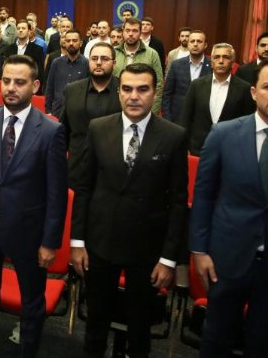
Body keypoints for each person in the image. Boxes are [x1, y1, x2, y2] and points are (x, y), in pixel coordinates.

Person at [190, 56, 268, 357]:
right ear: (253, 92)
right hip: (226, 261)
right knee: (215, 341)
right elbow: (203, 196)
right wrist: (199, 250)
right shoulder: (223, 135)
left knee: (265, 345)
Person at [72, 63, 188, 358]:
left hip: (146, 250)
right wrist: (77, 242)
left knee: (139, 330)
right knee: (95, 325)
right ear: (119, 92)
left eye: (142, 89)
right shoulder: (98, 128)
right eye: (127, 89)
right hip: (100, 244)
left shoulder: (173, 136)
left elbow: (178, 202)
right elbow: (84, 188)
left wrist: (169, 259)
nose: (134, 96)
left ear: (155, 92)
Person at [0, 55, 67, 358]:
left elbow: (56, 194)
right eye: (6, 81)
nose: (11, 88)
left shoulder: (51, 130)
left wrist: (50, 242)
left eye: (19, 82)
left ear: (35, 85)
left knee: (32, 302)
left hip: (28, 232)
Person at [60, 42, 121, 189]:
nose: (98, 62)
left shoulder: (124, 90)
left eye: (104, 59)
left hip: (113, 170)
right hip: (77, 168)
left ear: (114, 63)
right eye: (94, 58)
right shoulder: (72, 90)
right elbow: (64, 131)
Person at [179, 43, 255, 155]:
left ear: (232, 62)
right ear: (211, 62)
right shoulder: (197, 85)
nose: (221, 61)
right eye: (217, 57)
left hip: (230, 149)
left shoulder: (244, 88)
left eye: (226, 57)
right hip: (198, 148)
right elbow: (186, 117)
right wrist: (183, 145)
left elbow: (247, 123)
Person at [113, 18, 164, 113]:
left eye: (135, 31)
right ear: (123, 32)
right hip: (115, 107)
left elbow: (158, 85)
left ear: (140, 33)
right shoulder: (113, 53)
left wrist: (152, 112)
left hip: (142, 107)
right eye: (127, 30)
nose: (130, 34)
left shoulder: (152, 54)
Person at [162, 30, 212, 122]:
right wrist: (167, 119)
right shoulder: (176, 65)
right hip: (177, 118)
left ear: (205, 45)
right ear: (188, 44)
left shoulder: (212, 66)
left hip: (202, 120)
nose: (195, 44)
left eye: (199, 41)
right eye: (192, 41)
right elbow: (166, 94)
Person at [44, 29, 89, 117]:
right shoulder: (56, 63)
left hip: (78, 114)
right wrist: (48, 110)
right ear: (64, 43)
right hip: (57, 111)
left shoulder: (87, 64)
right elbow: (49, 88)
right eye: (68, 41)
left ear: (80, 43)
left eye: (74, 41)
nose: (71, 43)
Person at [5, 20, 45, 92]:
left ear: (29, 31)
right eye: (18, 28)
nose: (20, 30)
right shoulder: (9, 48)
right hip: (12, 86)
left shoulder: (37, 49)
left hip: (29, 87)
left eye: (23, 28)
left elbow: (40, 72)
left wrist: (36, 90)